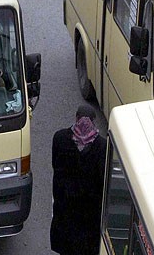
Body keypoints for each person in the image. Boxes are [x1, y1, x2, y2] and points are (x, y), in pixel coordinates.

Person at [50, 105, 107, 255]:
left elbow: (55, 164)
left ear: (76, 118)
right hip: (89, 211)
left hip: (65, 204)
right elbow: (103, 178)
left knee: (66, 246)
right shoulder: (102, 147)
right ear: (94, 122)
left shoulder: (60, 138)